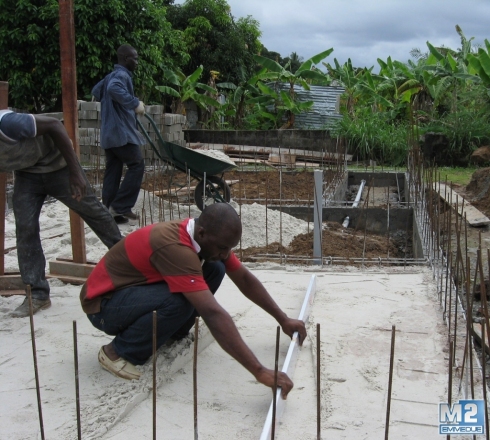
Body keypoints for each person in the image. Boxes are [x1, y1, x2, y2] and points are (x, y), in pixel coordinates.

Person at [80, 203, 307, 397]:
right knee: (178, 301)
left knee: (215, 267)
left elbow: (245, 279)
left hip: (133, 290)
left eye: (230, 248)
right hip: (103, 305)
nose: (226, 253)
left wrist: (283, 319)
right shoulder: (175, 247)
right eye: (222, 247)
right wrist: (260, 371)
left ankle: (171, 332)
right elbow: (211, 312)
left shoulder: (202, 237)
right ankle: (117, 352)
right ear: (201, 234)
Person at [0, 110, 123, 318]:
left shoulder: (9, 124)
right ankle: (37, 294)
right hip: (27, 175)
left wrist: (75, 172)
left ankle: (130, 258)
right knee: (25, 228)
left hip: (60, 168)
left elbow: (55, 125)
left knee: (93, 212)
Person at [91, 44, 146, 224]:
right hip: (121, 134)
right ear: (124, 58)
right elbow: (113, 89)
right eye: (134, 59)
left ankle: (109, 210)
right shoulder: (121, 75)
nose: (137, 62)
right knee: (137, 164)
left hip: (109, 134)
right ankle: (121, 206)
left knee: (113, 171)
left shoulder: (110, 76)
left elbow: (96, 91)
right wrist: (134, 103)